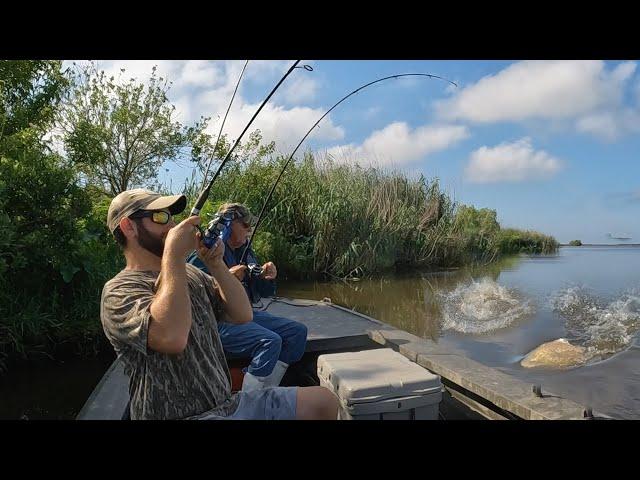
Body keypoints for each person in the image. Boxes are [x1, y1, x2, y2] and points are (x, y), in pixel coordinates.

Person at [100, 188, 338, 420]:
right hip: (177, 415)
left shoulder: (191, 274)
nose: (171, 225)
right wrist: (174, 255)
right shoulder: (119, 290)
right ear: (128, 226)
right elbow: (172, 338)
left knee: (323, 402)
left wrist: (216, 264)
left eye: (170, 216)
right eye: (159, 217)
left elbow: (242, 314)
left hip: (226, 404)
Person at [187, 203, 307, 392]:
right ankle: (249, 400)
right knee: (270, 341)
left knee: (297, 332)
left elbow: (266, 293)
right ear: (228, 225)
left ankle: (267, 389)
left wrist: (268, 277)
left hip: (246, 315)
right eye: (244, 225)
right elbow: (195, 300)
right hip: (215, 321)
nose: (249, 229)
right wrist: (226, 279)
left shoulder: (247, 252)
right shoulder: (204, 253)